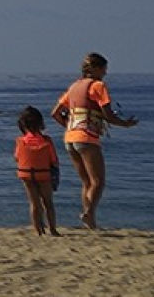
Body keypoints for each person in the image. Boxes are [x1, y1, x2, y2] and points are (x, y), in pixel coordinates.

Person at [51, 52, 138, 230]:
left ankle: (89, 219)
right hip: (87, 139)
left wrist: (70, 126)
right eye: (104, 69)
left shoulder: (74, 86)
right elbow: (108, 115)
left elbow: (55, 113)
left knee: (86, 182)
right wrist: (126, 124)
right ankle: (89, 212)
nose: (105, 73)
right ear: (96, 69)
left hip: (70, 138)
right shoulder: (97, 86)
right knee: (98, 181)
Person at [14, 106, 60, 236]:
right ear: (40, 123)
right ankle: (52, 229)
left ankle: (38, 230)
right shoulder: (47, 141)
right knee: (48, 202)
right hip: (43, 174)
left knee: (34, 203)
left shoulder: (20, 141)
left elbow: (17, 157)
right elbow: (54, 159)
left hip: (26, 174)